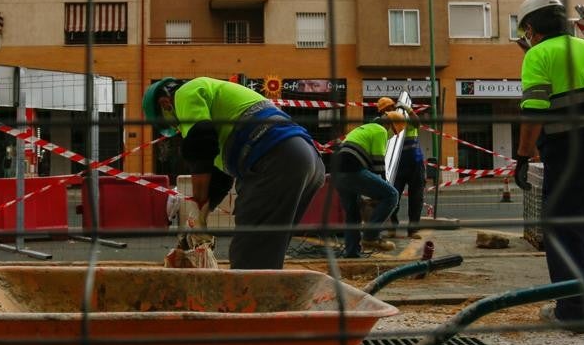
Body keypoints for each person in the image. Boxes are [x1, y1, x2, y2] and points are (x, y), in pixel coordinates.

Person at [513, 0, 584, 331]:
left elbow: (533, 113)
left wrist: (522, 157)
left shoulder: (537, 55)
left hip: (567, 152)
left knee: (563, 229)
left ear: (531, 28)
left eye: (525, 32)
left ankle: (572, 311)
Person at [143, 76, 326, 270]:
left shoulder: (185, 92)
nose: (178, 129)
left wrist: (197, 206)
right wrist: (201, 215)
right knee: (267, 251)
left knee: (248, 257)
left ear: (165, 104)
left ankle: (248, 300)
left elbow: (200, 141)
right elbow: (219, 177)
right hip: (305, 162)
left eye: (173, 126)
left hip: (274, 158)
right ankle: (266, 297)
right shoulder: (221, 109)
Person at [333, 110, 406, 257]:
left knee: (352, 214)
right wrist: (383, 188)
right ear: (391, 126)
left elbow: (369, 164)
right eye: (395, 133)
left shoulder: (364, 128)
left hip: (338, 174)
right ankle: (371, 236)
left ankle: (352, 253)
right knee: (391, 195)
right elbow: (378, 164)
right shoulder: (380, 131)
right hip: (352, 170)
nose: (393, 135)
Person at [377, 97, 427, 238]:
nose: (387, 112)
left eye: (389, 108)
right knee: (392, 196)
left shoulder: (405, 119)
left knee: (416, 197)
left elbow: (417, 123)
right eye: (384, 110)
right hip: (396, 165)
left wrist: (408, 109)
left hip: (414, 163)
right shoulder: (384, 126)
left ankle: (413, 230)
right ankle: (393, 227)